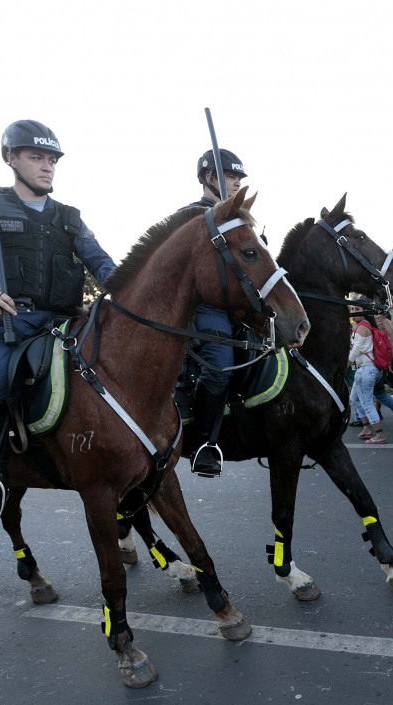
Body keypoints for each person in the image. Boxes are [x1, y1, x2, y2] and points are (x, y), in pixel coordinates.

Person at [0, 120, 115, 520]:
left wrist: (123, 289)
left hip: (64, 322)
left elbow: (102, 263)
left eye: (51, 159)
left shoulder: (70, 217)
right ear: (11, 159)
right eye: (37, 157)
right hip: (9, 322)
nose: (47, 166)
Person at [181, 148, 247, 476]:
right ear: (210, 178)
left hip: (244, 306)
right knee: (220, 367)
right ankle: (203, 443)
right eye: (231, 177)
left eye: (238, 178)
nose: (237, 183)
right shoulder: (190, 216)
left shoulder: (240, 218)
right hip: (208, 308)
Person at [347, 308, 388, 445]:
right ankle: (366, 428)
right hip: (367, 369)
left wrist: (343, 368)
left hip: (366, 370)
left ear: (365, 312)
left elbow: (354, 352)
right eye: (352, 309)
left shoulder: (362, 327)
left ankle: (380, 434)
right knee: (355, 399)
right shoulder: (363, 325)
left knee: (366, 403)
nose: (353, 312)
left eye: (357, 309)